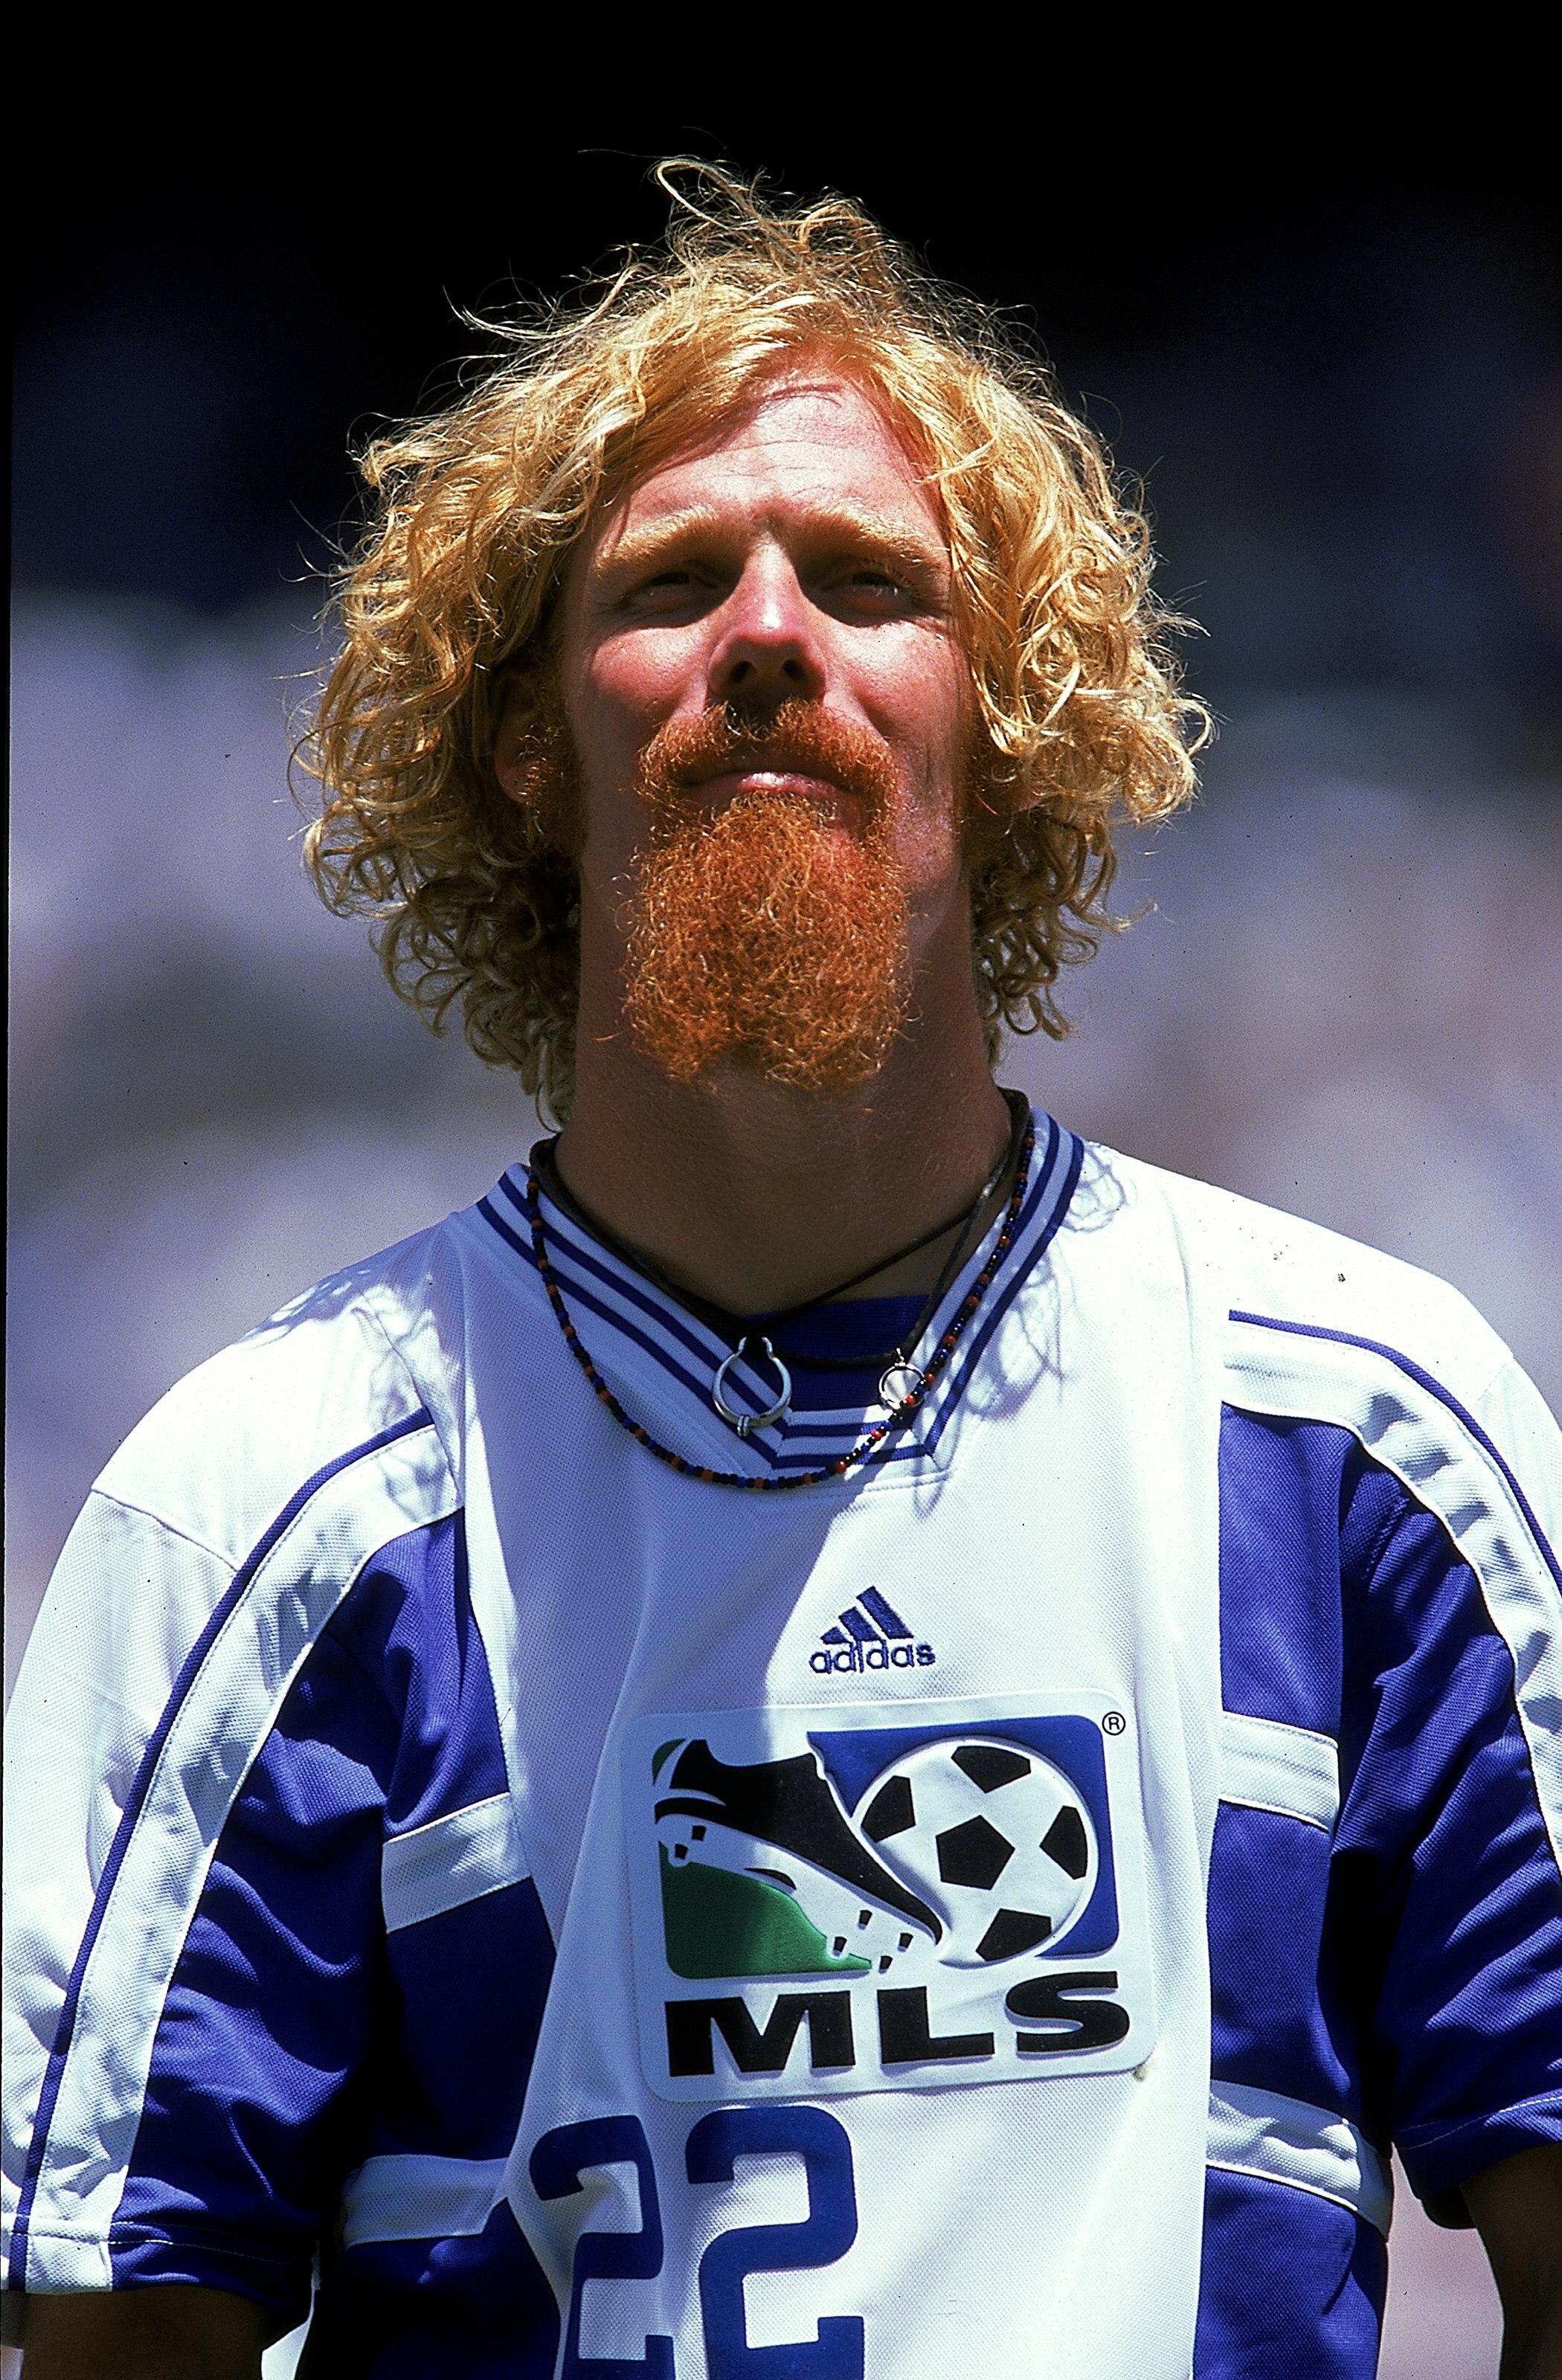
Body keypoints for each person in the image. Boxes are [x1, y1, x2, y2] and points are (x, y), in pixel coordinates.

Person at [5, 167, 1560, 2380]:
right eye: (664, 580)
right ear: (526, 748)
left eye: (862, 578)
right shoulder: (270, 1507)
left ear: (1002, 732)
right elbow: (116, 2345)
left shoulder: (1353, 1441)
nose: (764, 632)